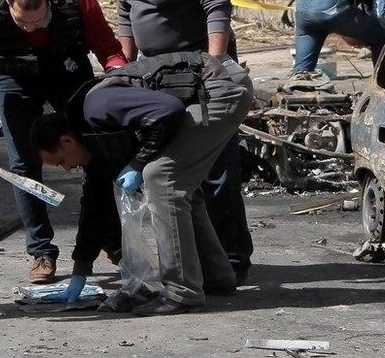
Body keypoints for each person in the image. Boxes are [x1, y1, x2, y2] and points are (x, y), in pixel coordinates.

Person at [87, 0, 253, 281]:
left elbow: (215, 1)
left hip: (200, 70)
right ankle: (202, 265)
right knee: (176, 169)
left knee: (216, 169)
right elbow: (126, 10)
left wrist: (215, 64)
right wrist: (124, 68)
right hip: (155, 76)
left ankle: (232, 260)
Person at [34, 51, 254, 315]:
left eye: (60, 162)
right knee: (179, 186)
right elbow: (95, 205)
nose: (67, 169)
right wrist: (81, 269)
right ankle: (216, 277)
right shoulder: (93, 140)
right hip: (213, 88)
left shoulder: (97, 106)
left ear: (67, 141)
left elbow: (168, 111)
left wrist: (137, 163)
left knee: (161, 177)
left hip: (219, 88)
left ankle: (181, 292)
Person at [0, 0, 126, 283]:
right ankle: (41, 250)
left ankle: (112, 240)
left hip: (67, 69)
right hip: (14, 76)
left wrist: (121, 84)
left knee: (94, 154)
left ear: (49, 1)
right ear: (7, 2)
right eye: (22, 22)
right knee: (23, 165)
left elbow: (107, 48)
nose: (31, 28)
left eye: (38, 19)